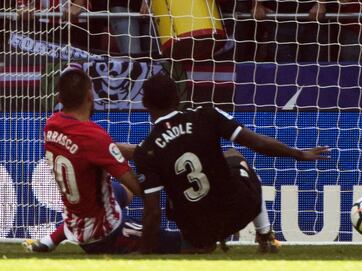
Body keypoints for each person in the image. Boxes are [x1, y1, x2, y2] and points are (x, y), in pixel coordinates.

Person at [131, 74, 330, 253]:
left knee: (177, 197)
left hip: (199, 232)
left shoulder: (145, 150)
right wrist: (299, 154)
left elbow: (153, 212)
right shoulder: (206, 115)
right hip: (239, 212)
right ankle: (265, 234)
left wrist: (144, 253)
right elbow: (258, 143)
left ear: (145, 103)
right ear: (178, 98)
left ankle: (200, 245)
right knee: (236, 156)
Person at [22, 68, 181, 254]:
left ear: (59, 99)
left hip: (77, 216)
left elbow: (94, 151)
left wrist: (142, 152)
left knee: (115, 190)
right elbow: (141, 190)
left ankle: (50, 239)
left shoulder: (51, 125)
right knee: (175, 241)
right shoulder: (94, 137)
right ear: (90, 95)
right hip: (102, 234)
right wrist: (168, 178)